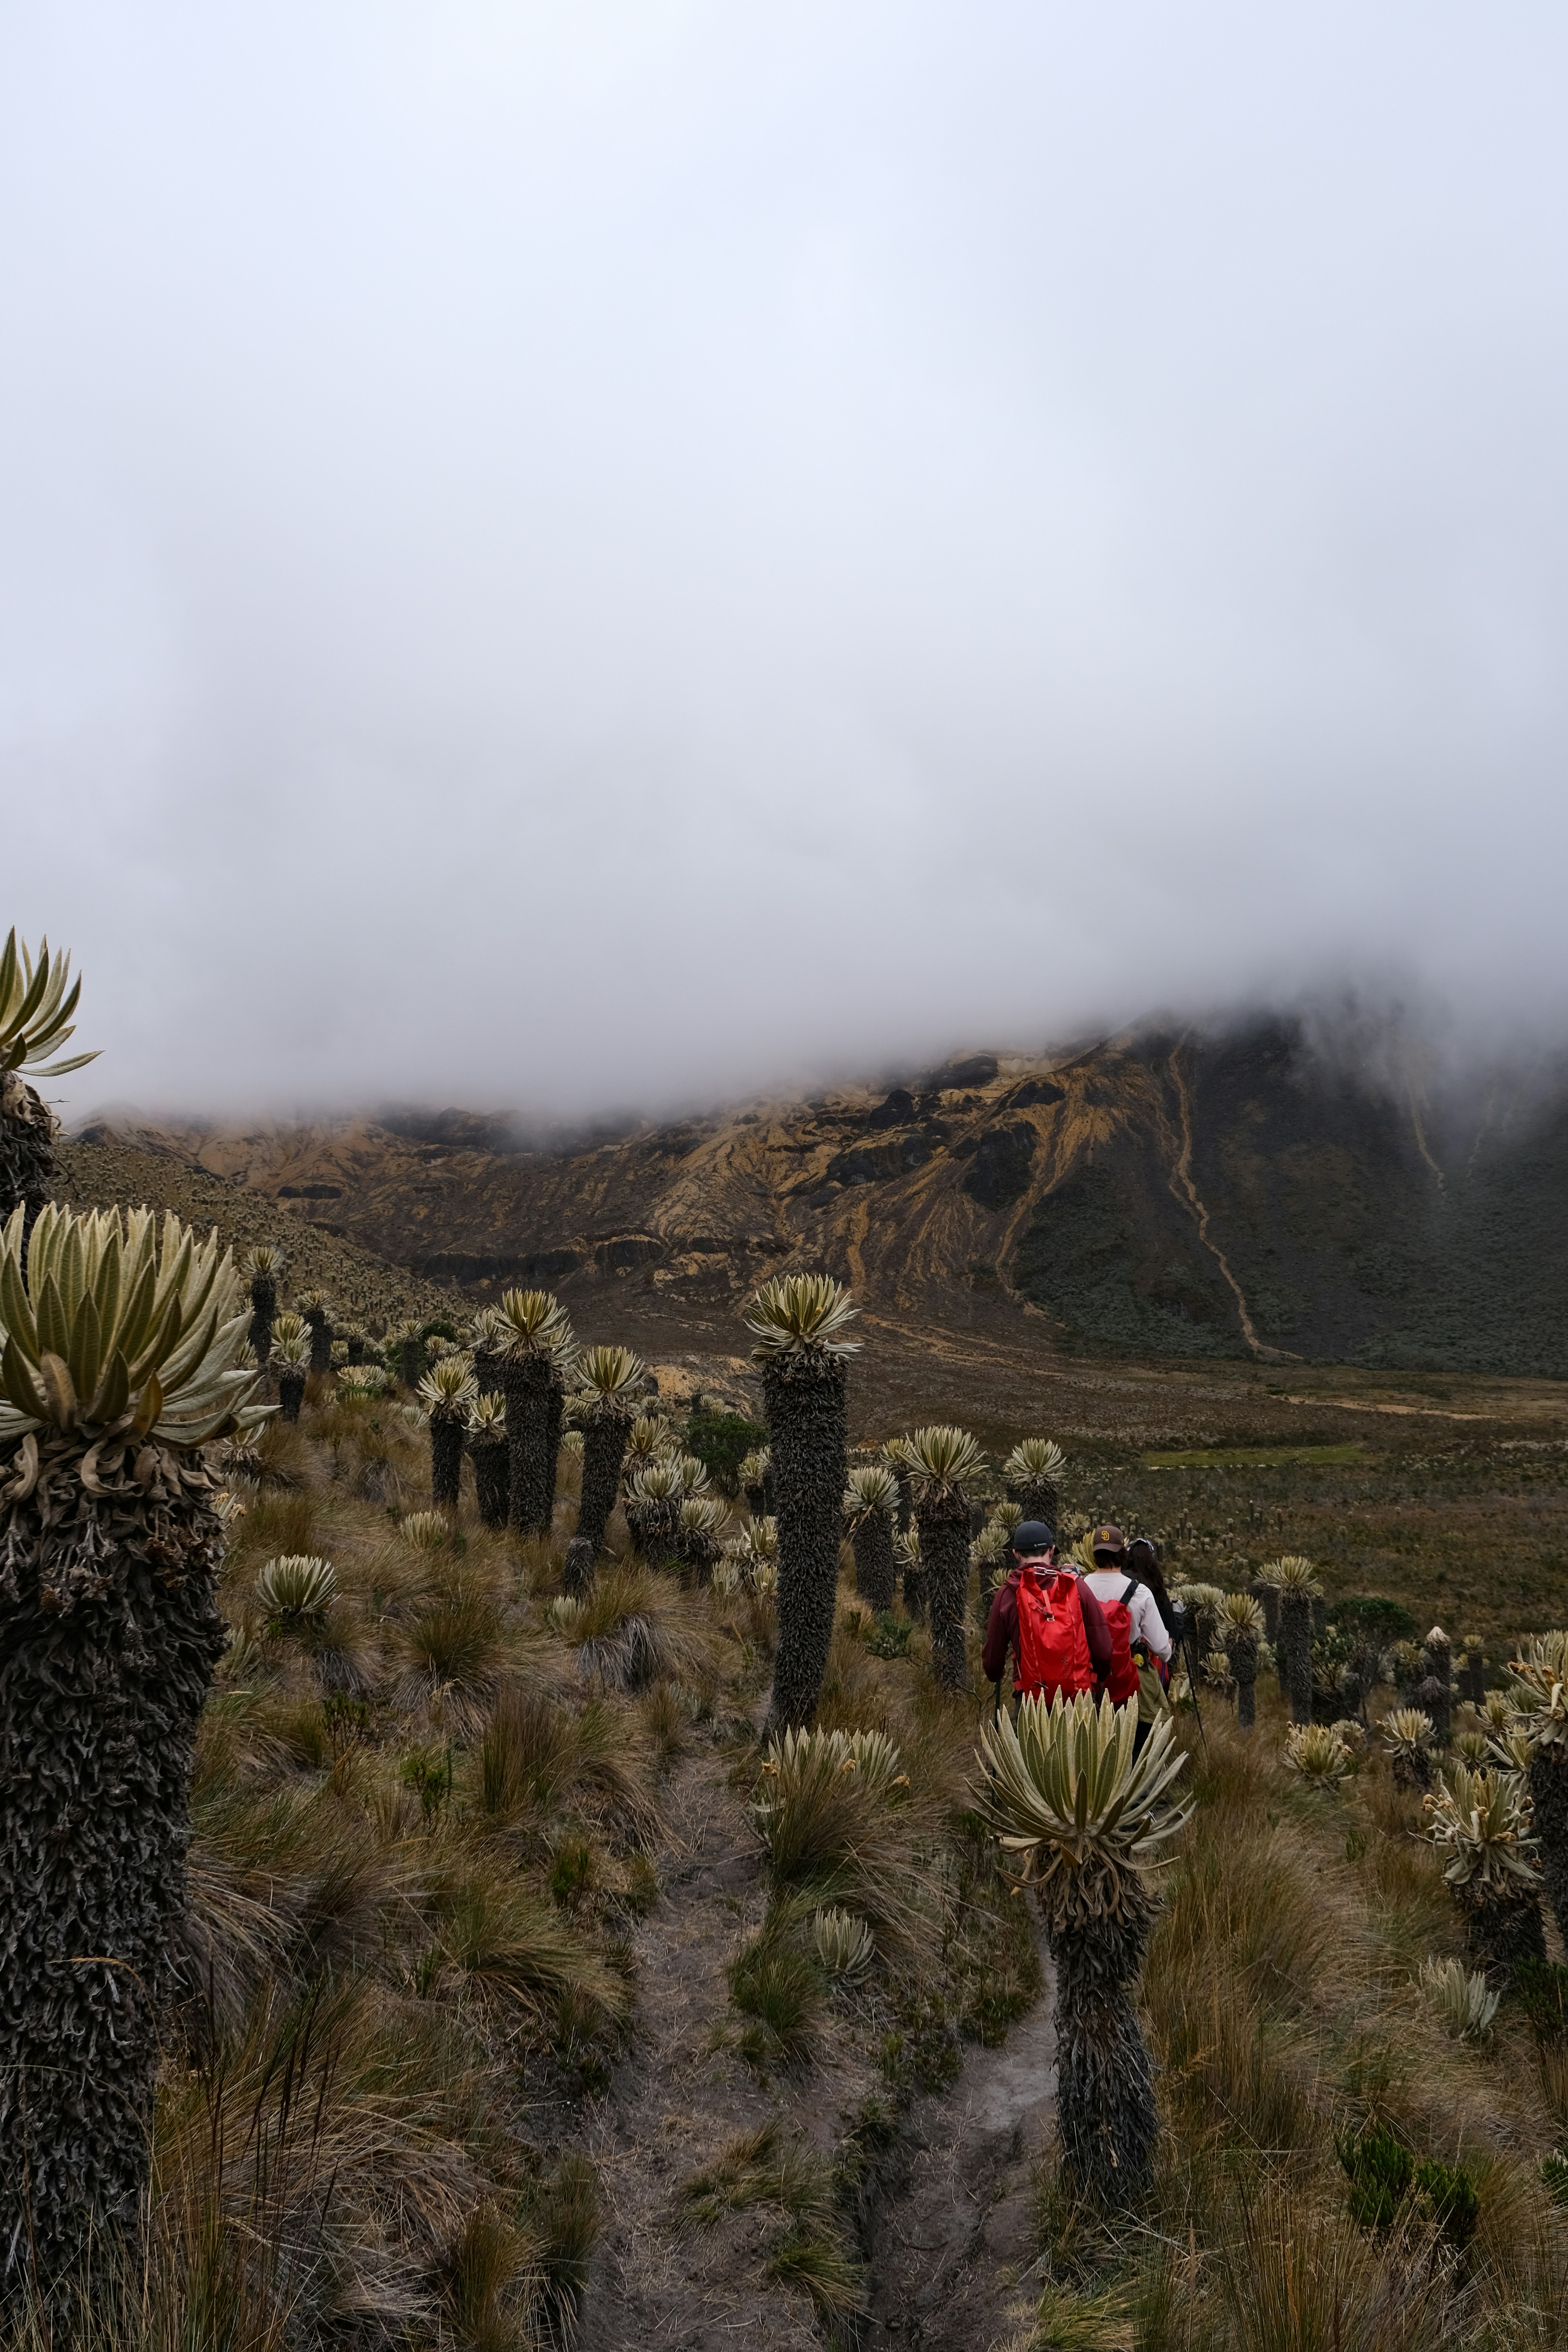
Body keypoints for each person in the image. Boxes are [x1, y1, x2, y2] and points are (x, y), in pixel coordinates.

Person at [982, 1520, 1112, 1707]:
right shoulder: (1076, 1587)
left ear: (1016, 1554)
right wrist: (1096, 1678)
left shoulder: (1008, 1593)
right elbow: (1104, 1651)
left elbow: (992, 1663)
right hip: (1079, 1700)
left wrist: (997, 1675)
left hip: (1031, 1701)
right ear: (1051, 1551)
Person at [1083, 1524, 1174, 1752]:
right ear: (1122, 1553)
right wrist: (1169, 1644)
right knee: (1137, 1748)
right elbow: (1163, 1649)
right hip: (1132, 1681)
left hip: (1090, 1681)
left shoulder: (1080, 1588)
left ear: (1095, 1555)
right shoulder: (1140, 1592)